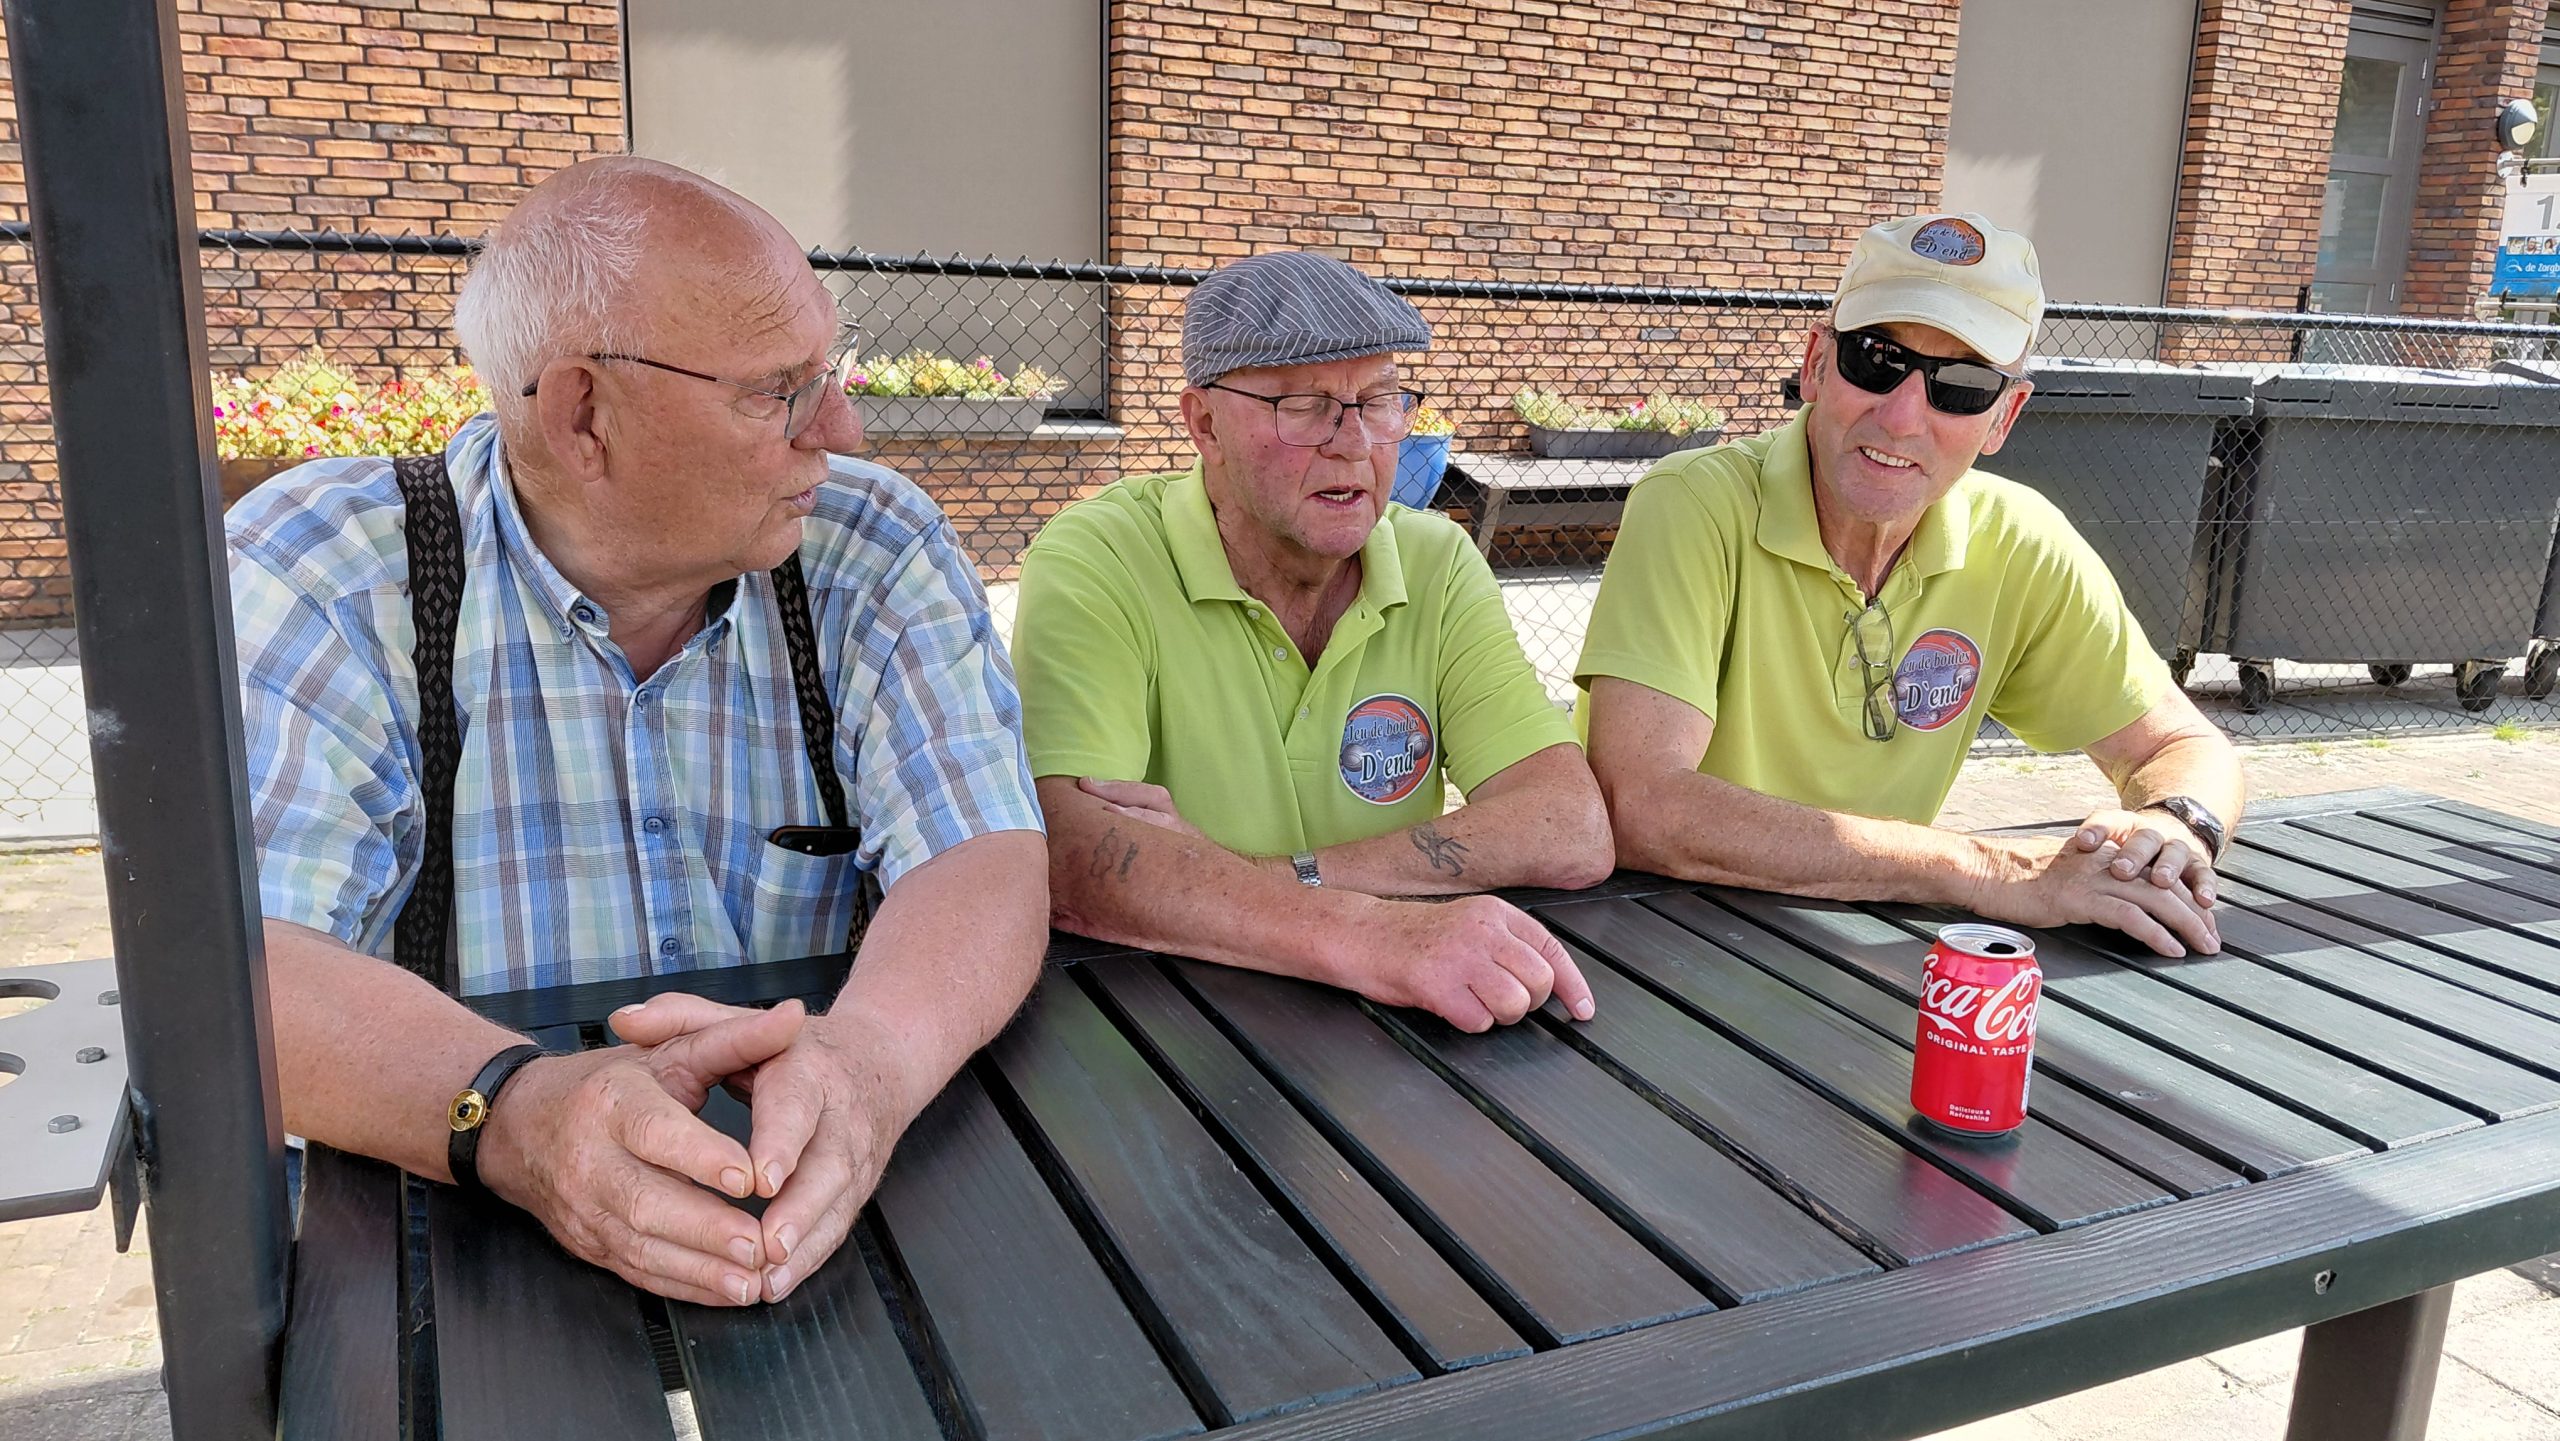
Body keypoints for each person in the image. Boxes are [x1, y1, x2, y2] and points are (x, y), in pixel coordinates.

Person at [225, 157, 1048, 1309]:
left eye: (829, 372)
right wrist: (514, 1113)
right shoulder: (330, 569)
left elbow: (983, 854)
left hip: (805, 1211)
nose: (843, 428)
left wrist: (868, 1064)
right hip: (452, 1253)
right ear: (583, 415)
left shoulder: (867, 545)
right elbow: (244, 966)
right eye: (779, 390)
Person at [1579, 212, 2244, 958]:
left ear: (2005, 416)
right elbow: (1642, 803)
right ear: (1816, 364)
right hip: (1653, 941)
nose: (1901, 417)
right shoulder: (1695, 502)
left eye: (1960, 385)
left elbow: (2184, 744)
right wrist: (1987, 869)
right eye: (1876, 359)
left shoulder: (2018, 539)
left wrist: (2173, 827)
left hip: (1868, 949)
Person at [1011, 251, 1614, 1032]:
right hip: (1162, 1029)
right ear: (1204, 425)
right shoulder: (1102, 557)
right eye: (1304, 405)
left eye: (1381, 400)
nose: (1354, 443)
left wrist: (1274, 878)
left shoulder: (1436, 562)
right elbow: (1067, 850)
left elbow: (1570, 825)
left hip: (1400, 1036)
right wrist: (1377, 933)